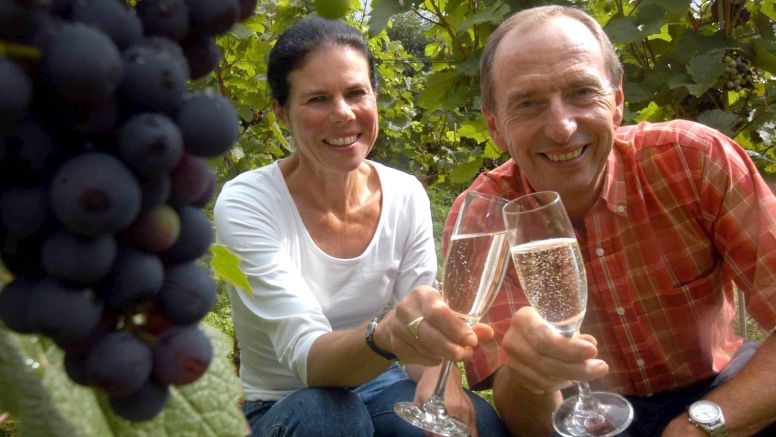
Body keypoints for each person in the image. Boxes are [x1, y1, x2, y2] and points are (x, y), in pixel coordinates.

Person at [441, 5, 776, 436]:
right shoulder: (486, 217)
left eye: (582, 92)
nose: (561, 128)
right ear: (494, 126)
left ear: (617, 101)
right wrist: (529, 374)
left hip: (718, 390)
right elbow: (527, 421)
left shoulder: (694, 160)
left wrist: (697, 427)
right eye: (528, 103)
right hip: (585, 420)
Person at [213, 17, 508, 437]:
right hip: (284, 401)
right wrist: (385, 335)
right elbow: (308, 360)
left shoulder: (405, 194)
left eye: (356, 92)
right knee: (329, 418)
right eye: (317, 99)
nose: (343, 113)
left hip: (380, 384)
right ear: (280, 110)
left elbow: (420, 316)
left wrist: (440, 379)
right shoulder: (249, 203)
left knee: (478, 426)